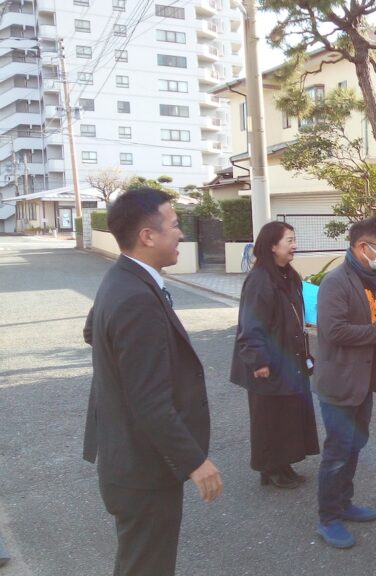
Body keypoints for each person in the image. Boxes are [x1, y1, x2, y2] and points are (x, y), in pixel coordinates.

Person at [83, 188, 222, 576]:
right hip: (143, 470)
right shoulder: (136, 297)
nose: (182, 234)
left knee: (136, 563)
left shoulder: (121, 278)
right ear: (147, 236)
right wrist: (195, 461)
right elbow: (148, 400)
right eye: (174, 225)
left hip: (128, 460)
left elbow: (92, 331)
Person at [315, 216, 376, 549]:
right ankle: (329, 518)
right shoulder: (336, 282)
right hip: (340, 383)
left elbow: (372, 322)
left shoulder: (369, 279)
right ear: (362, 246)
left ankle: (344, 502)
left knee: (354, 445)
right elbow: (334, 331)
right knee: (338, 451)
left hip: (363, 381)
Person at [231, 221, 320, 490]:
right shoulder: (260, 280)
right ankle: (270, 469)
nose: (295, 246)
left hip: (288, 358)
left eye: (294, 240)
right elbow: (251, 324)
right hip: (267, 361)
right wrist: (259, 361)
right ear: (272, 245)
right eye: (289, 240)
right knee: (269, 417)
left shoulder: (287, 276)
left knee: (287, 414)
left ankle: (283, 465)